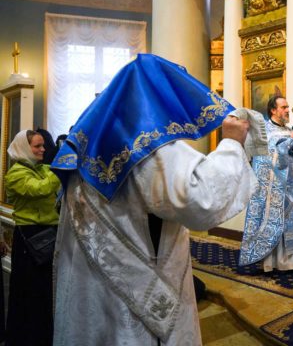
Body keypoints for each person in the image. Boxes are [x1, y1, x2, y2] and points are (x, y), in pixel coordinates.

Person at [51, 54, 257, 345]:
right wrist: (232, 144)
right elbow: (201, 199)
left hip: (91, 288)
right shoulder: (147, 145)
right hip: (136, 299)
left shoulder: (86, 139)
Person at [239, 96, 293, 271]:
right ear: (273, 110)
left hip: (290, 186)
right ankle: (270, 262)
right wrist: (291, 140)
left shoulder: (289, 130)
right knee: (274, 221)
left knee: (289, 221)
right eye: (284, 107)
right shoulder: (264, 131)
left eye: (288, 107)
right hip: (272, 189)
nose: (288, 110)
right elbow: (272, 154)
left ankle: (289, 262)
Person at [5, 129, 61, 346]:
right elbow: (41, 189)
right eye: (37, 146)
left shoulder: (41, 169)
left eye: (42, 145)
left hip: (45, 234)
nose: (43, 149)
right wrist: (59, 167)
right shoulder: (15, 174)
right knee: (29, 291)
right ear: (24, 148)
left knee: (43, 290)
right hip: (30, 238)